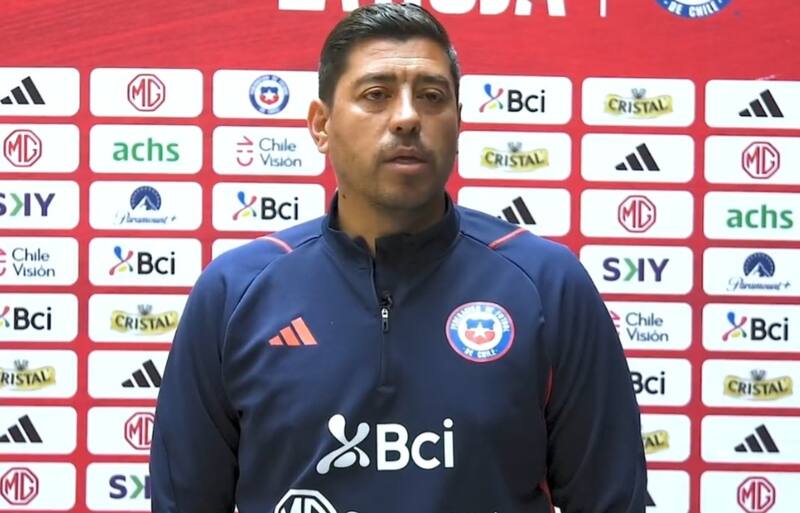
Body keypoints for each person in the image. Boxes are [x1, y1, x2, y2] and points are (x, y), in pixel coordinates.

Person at [150, 4, 647, 513]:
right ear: (321, 125)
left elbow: (612, 502)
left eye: (432, 96)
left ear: (458, 122)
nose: (408, 117)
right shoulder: (234, 293)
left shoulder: (547, 285)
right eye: (376, 94)